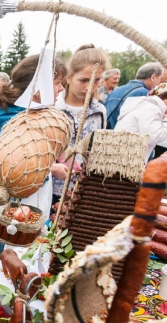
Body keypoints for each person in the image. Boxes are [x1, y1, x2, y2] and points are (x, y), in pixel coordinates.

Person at [0, 55, 67, 272]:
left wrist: (51, 167)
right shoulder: (20, 127)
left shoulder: (21, 118)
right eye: (57, 83)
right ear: (38, 88)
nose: (61, 89)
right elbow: (15, 174)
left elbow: (21, 167)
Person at [52, 45, 108, 207]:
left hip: (84, 190)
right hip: (52, 189)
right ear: (69, 77)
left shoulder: (99, 110)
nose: (90, 87)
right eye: (84, 80)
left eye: (96, 80)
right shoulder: (53, 107)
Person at [115, 82, 167, 161]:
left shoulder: (145, 105)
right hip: (128, 162)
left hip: (122, 157)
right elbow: (154, 137)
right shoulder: (151, 109)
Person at [105, 62, 164, 129]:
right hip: (126, 137)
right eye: (160, 79)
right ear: (153, 77)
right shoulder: (145, 95)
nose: (160, 83)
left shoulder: (115, 91)